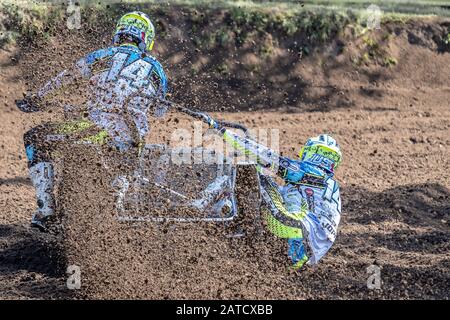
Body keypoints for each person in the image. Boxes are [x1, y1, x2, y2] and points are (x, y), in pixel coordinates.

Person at [16, 11, 168, 231]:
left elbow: (65, 79)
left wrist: (37, 99)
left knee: (35, 138)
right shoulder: (157, 69)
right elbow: (160, 111)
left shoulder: (102, 55)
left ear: (119, 33)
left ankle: (46, 211)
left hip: (95, 131)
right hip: (133, 143)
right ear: (146, 39)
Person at [204, 116, 342, 269]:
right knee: (268, 184)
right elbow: (284, 196)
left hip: (299, 231)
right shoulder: (323, 184)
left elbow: (268, 158)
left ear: (311, 151)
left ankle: (207, 209)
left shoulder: (313, 173)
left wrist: (223, 132)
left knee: (254, 175)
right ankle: (248, 234)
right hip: (311, 249)